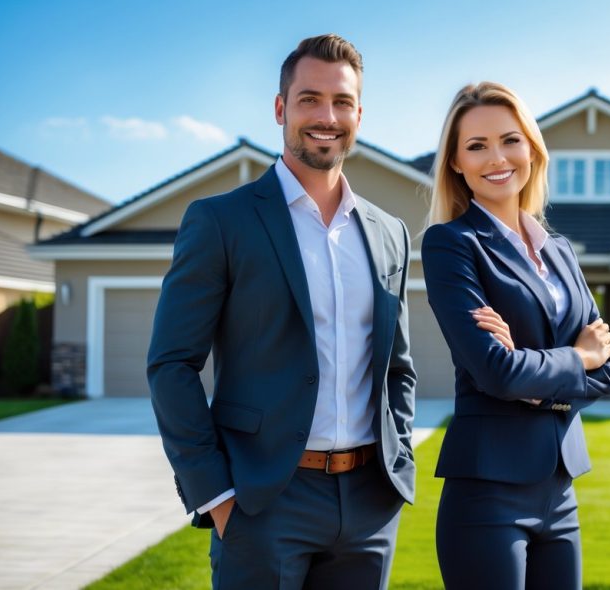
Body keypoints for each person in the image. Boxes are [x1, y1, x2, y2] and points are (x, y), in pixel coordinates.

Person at [148, 34, 416, 589]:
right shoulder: (222, 222)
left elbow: (398, 368)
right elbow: (171, 364)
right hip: (263, 503)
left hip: (369, 504)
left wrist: (399, 459)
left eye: (342, 102)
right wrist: (216, 495)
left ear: (359, 114)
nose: (327, 116)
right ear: (280, 109)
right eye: (309, 99)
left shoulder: (390, 234)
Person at [421, 82, 610, 590]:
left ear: (532, 148)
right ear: (456, 164)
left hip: (560, 491)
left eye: (510, 140)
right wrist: (577, 358)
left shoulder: (560, 250)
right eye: (476, 146)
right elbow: (495, 371)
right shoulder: (451, 245)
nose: (497, 158)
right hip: (487, 492)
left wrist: (533, 374)